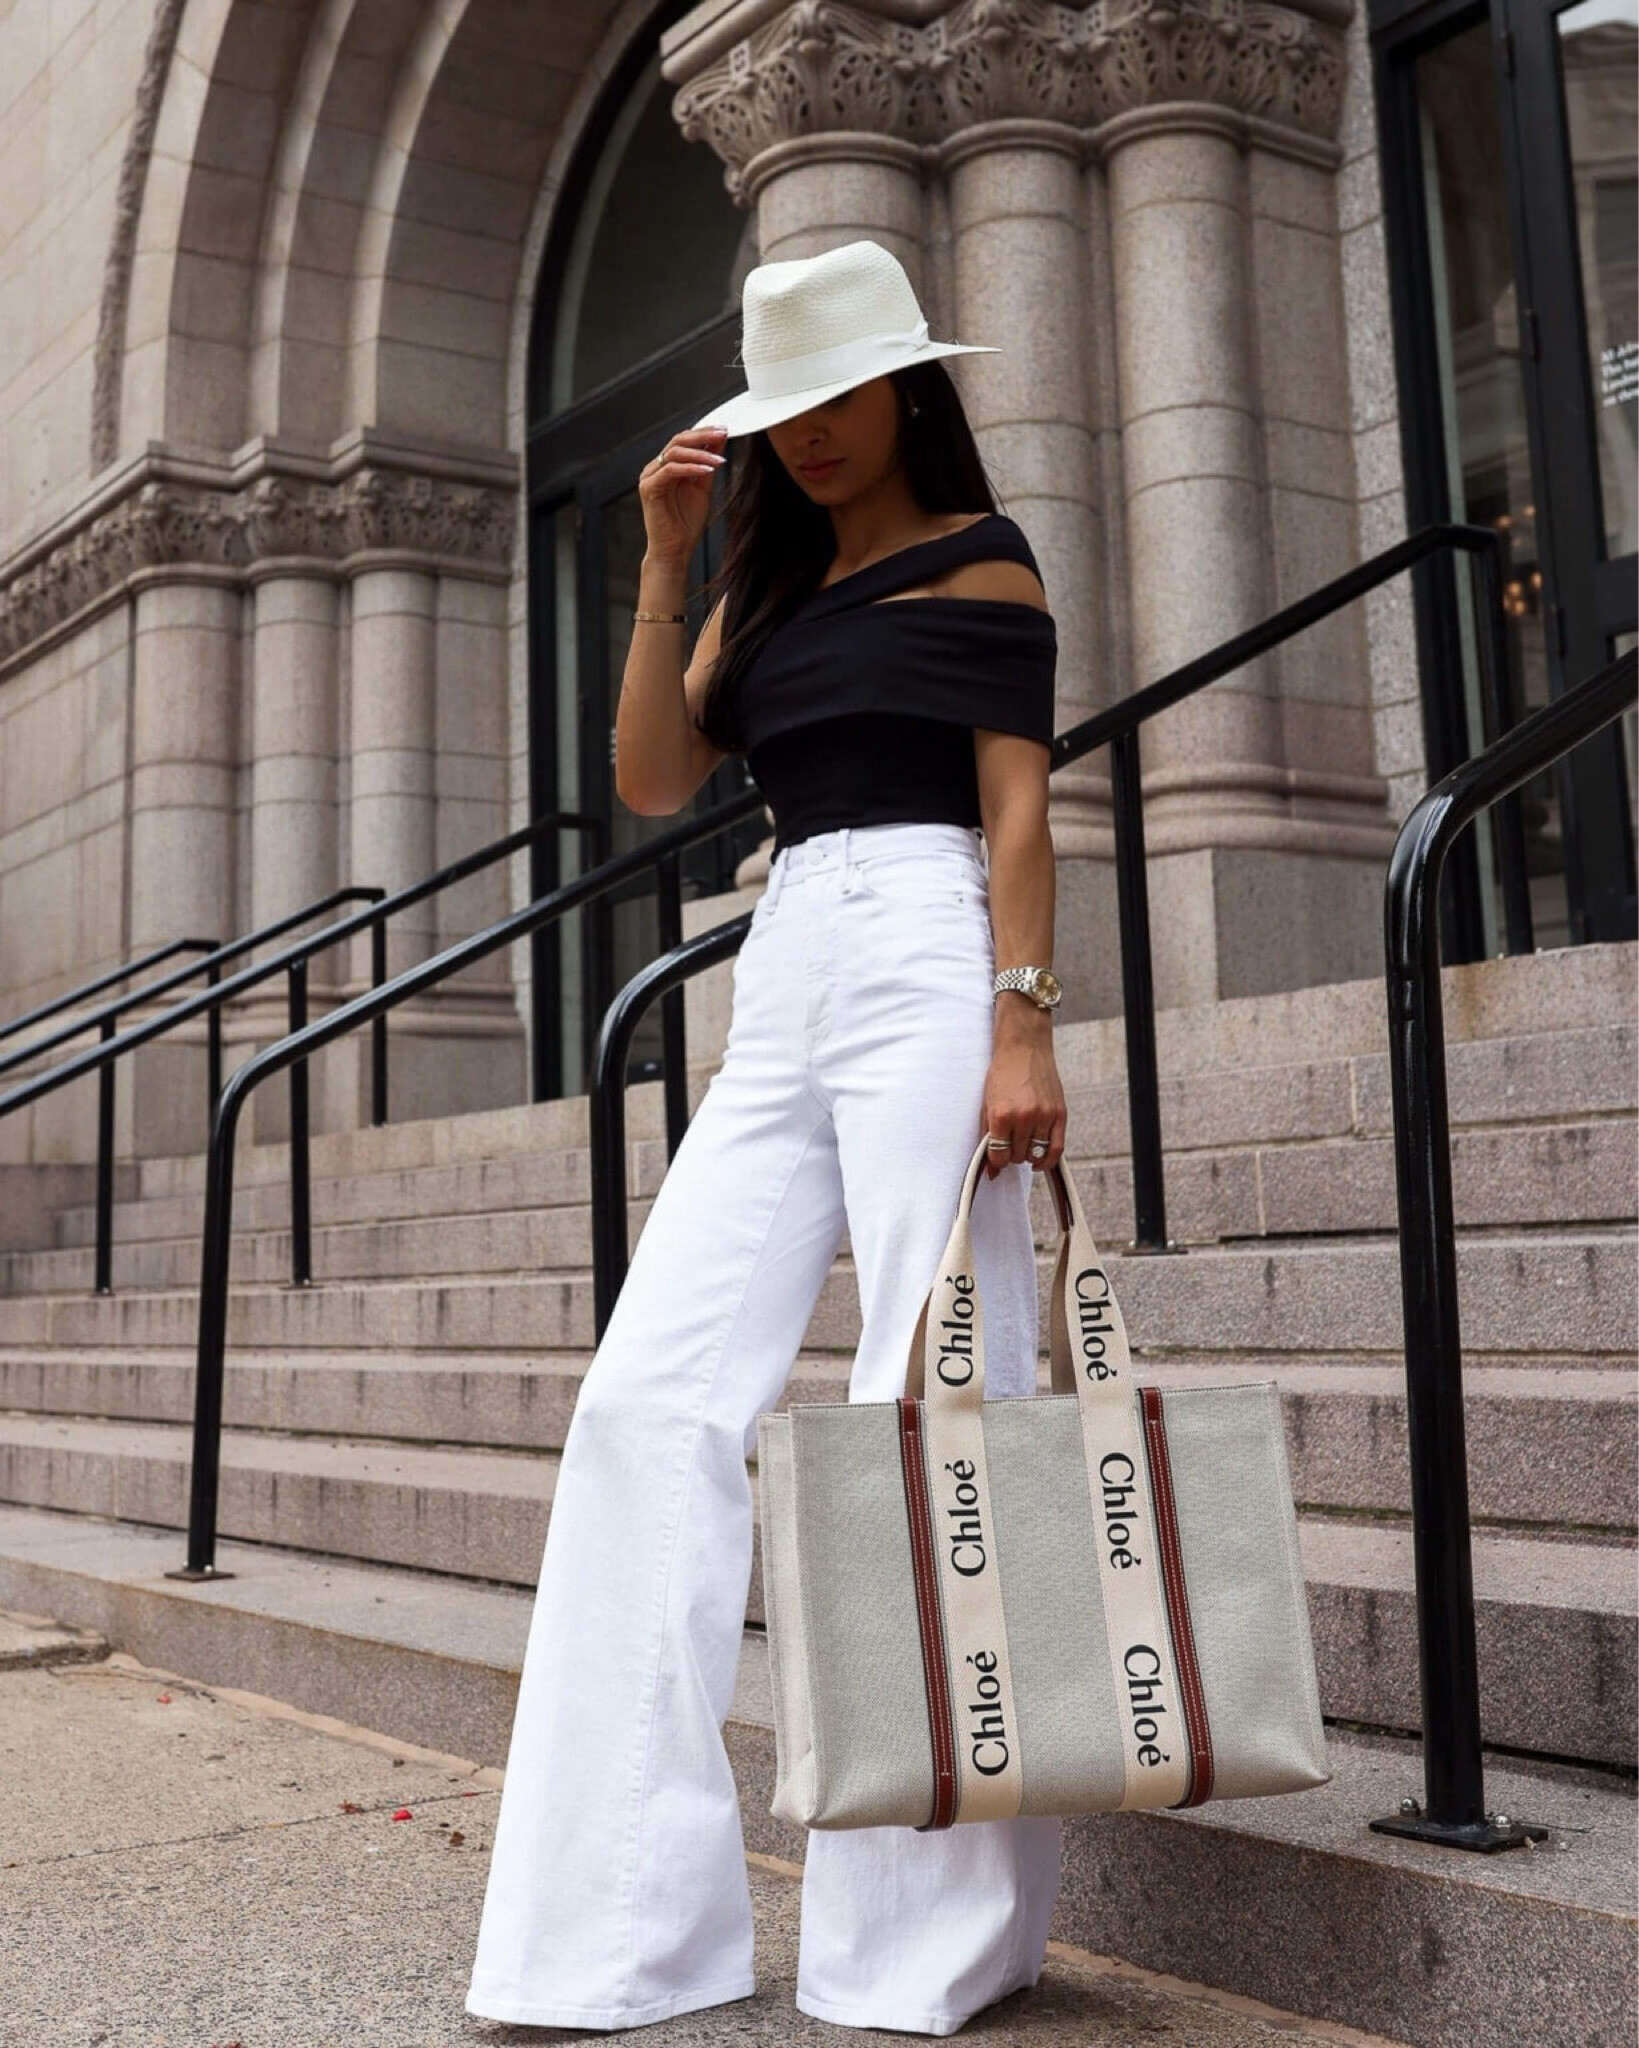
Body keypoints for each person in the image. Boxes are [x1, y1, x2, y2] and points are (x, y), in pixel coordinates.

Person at [465, 238, 1069, 2036]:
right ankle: (622, 1930)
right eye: (778, 407)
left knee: (931, 1397)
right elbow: (654, 778)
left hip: (933, 946)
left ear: (906, 393)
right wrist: (662, 566)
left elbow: (1018, 807)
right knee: (646, 1399)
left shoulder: (988, 563)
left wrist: (1023, 1018)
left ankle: (924, 1941)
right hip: (789, 951)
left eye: (835, 398)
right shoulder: (763, 593)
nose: (806, 435)